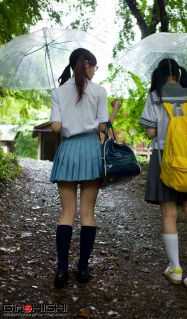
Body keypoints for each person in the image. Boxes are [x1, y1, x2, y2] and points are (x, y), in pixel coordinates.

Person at [49, 48, 121, 289]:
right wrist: (113, 112)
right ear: (88, 64)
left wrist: (65, 115)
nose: (94, 71)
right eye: (94, 66)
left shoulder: (58, 92)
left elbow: (56, 127)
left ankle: (61, 272)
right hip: (91, 151)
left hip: (68, 151)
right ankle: (81, 269)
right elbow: (102, 127)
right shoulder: (99, 91)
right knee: (87, 214)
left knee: (66, 213)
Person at [139, 58, 187, 291]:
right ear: (179, 75)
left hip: (164, 160)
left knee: (169, 213)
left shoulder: (155, 97)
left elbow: (150, 131)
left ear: (159, 76)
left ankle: (176, 268)